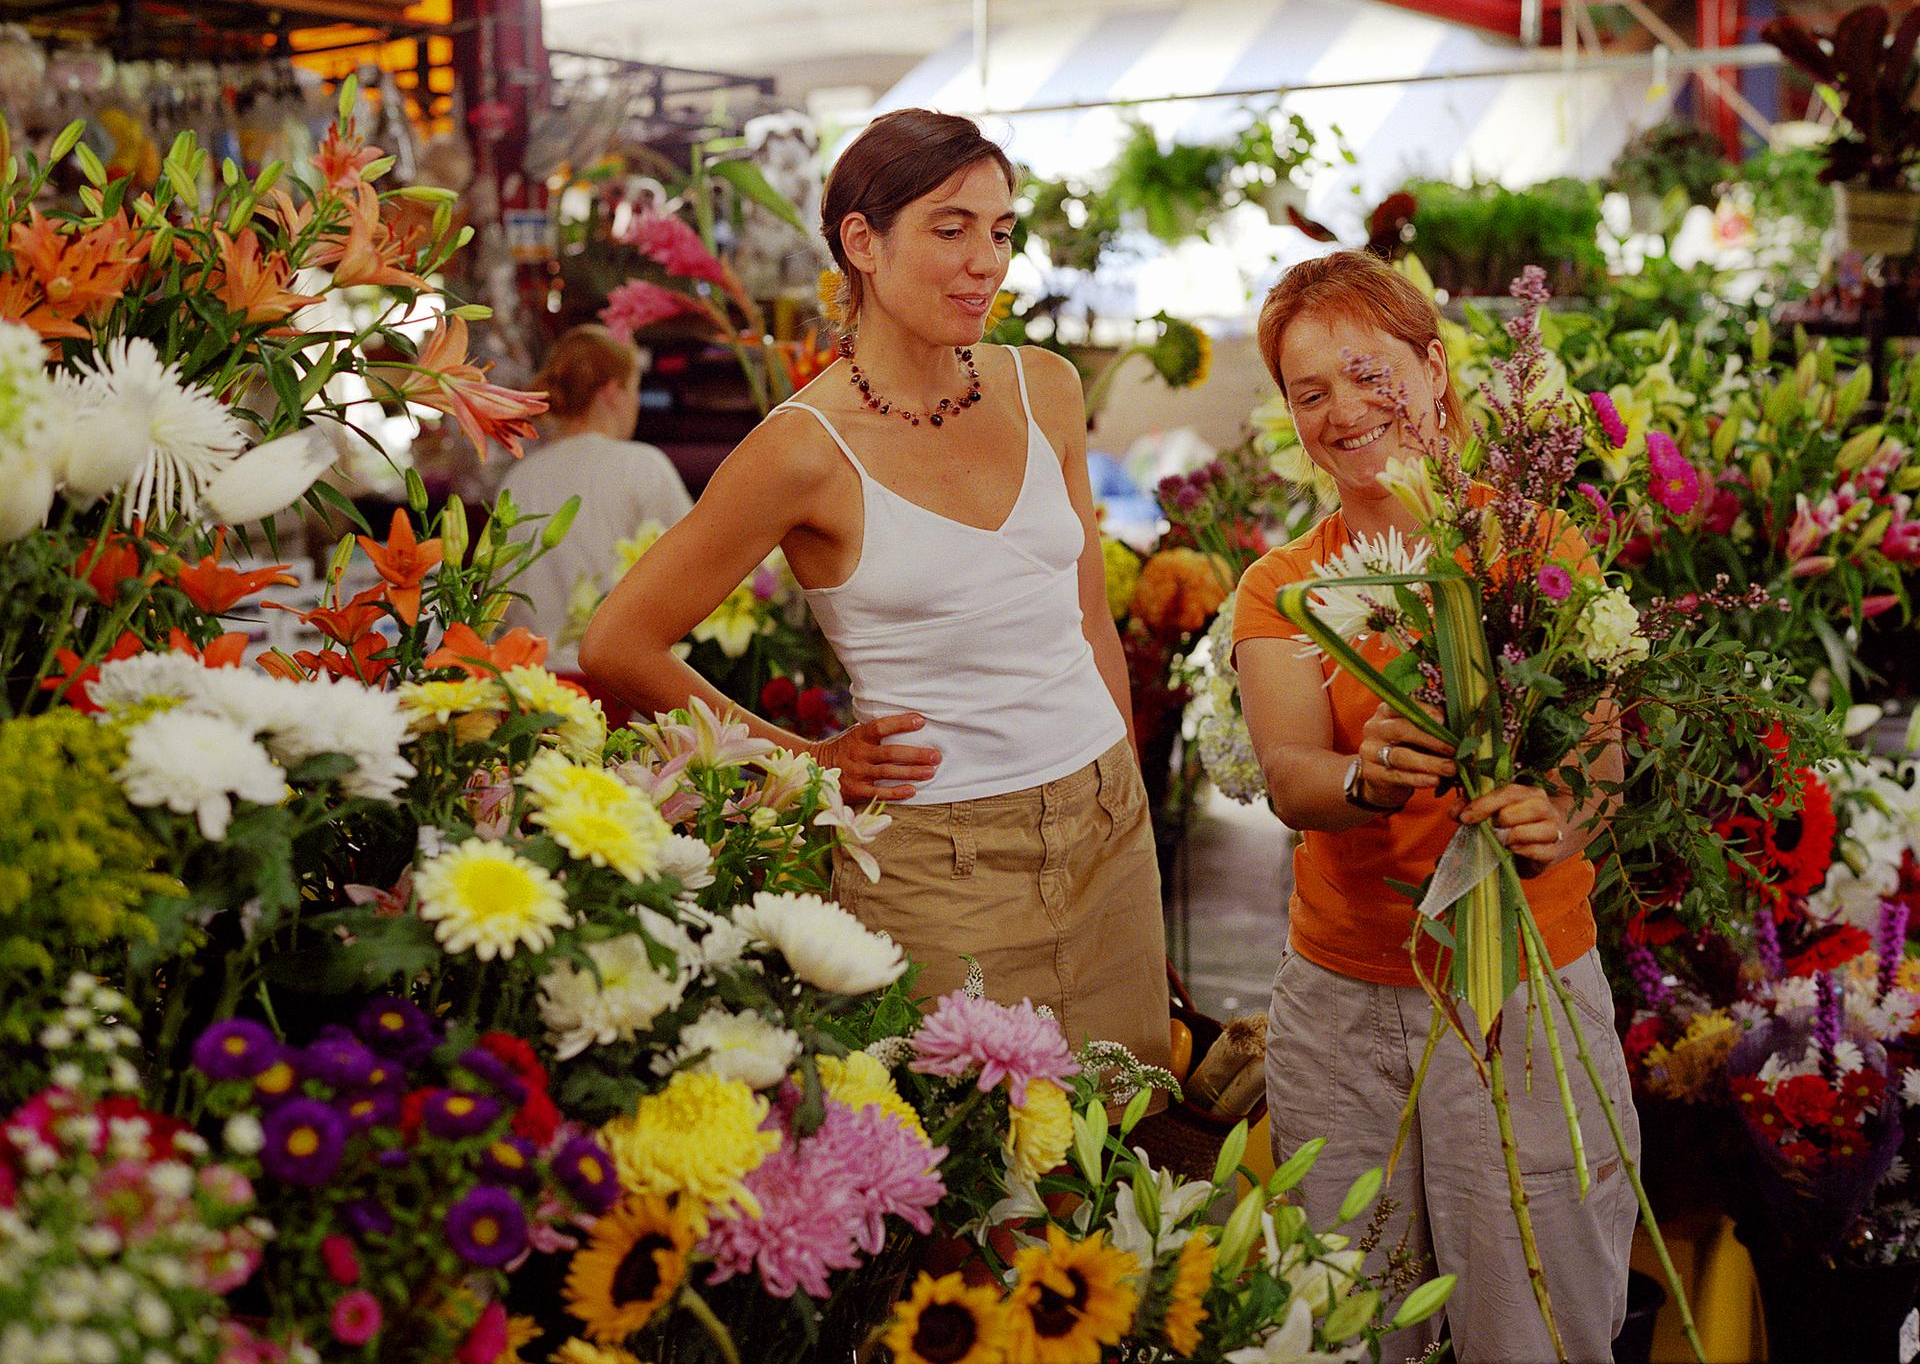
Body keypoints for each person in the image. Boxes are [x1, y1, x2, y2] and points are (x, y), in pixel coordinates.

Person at [580, 109, 1170, 1074]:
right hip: (938, 869)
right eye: (951, 228)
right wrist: (805, 765)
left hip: (1109, 824)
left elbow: (1088, 620)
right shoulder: (804, 448)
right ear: (862, 241)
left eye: (1001, 229)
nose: (987, 260)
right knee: (977, 1179)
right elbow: (619, 643)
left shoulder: (1046, 388)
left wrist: (1130, 799)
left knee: (1130, 1135)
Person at [1232, 251, 1637, 1363]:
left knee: (1537, 1327)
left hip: (1522, 993)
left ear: (1431, 363)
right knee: (1350, 1325)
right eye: (1309, 394)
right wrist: (1364, 774)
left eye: (1368, 374)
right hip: (1345, 1007)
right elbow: (1289, 776)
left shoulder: (1532, 547)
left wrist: (1562, 819)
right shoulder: (1287, 587)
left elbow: (1596, 767)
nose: (1345, 411)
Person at [497, 325, 693, 686]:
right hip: (619, 691)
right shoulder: (643, 466)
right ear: (612, 392)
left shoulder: (519, 478)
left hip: (529, 688)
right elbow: (695, 575)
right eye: (635, 388)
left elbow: (499, 602)